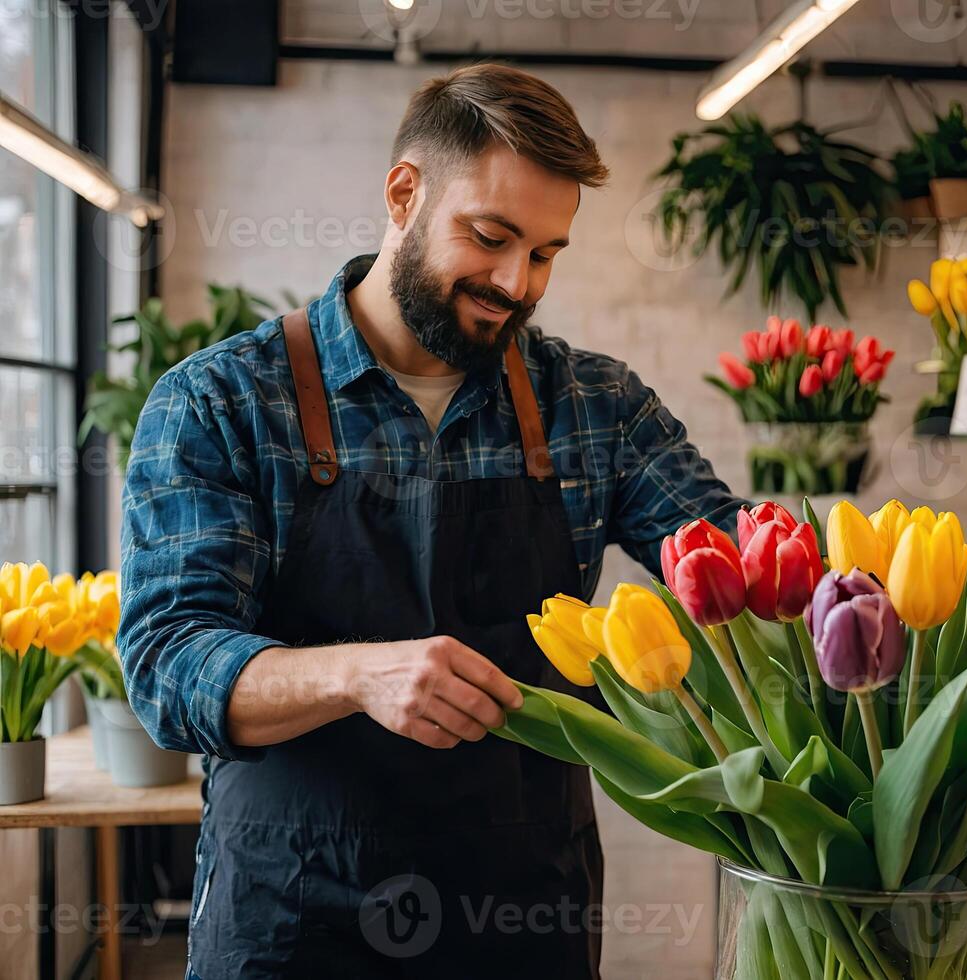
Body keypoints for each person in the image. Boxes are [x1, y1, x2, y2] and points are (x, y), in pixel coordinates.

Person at [118, 63, 748, 979]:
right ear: (404, 193)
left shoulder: (594, 404)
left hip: (522, 913)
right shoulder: (222, 401)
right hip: (292, 919)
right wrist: (358, 675)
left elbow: (735, 558)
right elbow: (169, 670)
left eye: (544, 254)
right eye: (490, 237)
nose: (515, 283)